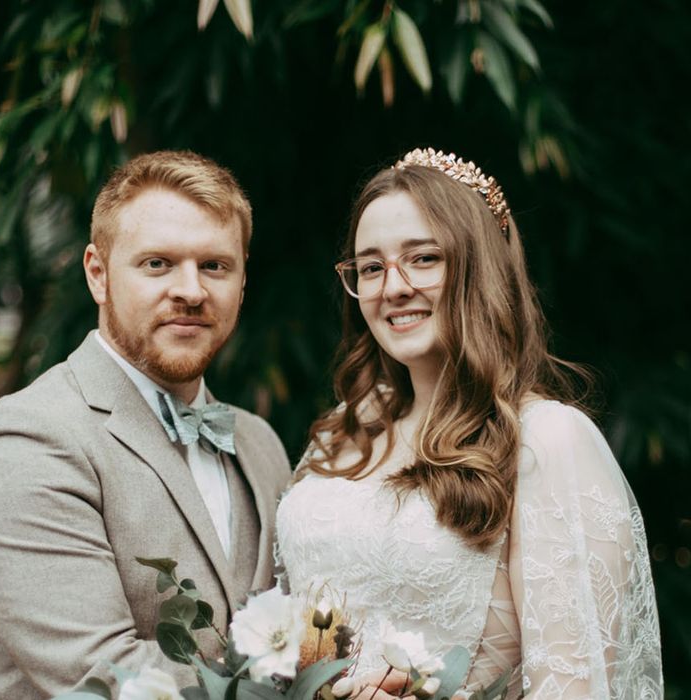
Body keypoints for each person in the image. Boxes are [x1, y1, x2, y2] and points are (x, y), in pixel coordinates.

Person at [276, 148, 662, 699]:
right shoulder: (346, 431)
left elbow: (573, 689)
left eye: (424, 258)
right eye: (370, 267)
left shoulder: (548, 440)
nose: (394, 286)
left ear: (479, 268)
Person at [0, 150, 291, 699]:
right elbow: (107, 677)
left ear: (243, 282)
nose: (192, 291)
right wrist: (315, 675)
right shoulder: (23, 441)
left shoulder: (259, 442)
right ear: (98, 274)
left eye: (215, 266)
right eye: (157, 263)